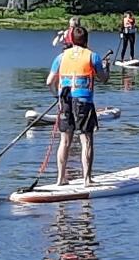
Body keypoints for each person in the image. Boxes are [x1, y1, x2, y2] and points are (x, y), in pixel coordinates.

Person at [45, 26, 111, 186]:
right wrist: (107, 67)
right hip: (84, 103)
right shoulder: (92, 56)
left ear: (72, 40)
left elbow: (49, 82)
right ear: (86, 40)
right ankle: (87, 179)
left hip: (65, 101)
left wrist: (57, 95)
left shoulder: (61, 57)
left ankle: (60, 179)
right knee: (86, 140)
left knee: (65, 141)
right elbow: (103, 78)